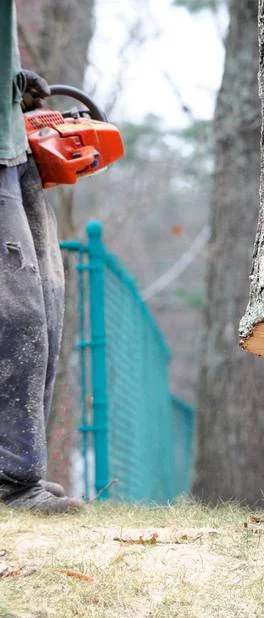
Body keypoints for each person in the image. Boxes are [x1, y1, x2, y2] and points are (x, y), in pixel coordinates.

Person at [0, 0, 82, 514]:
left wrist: (11, 82)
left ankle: (19, 472)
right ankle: (10, 481)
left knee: (45, 307)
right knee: (17, 314)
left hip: (11, 148)